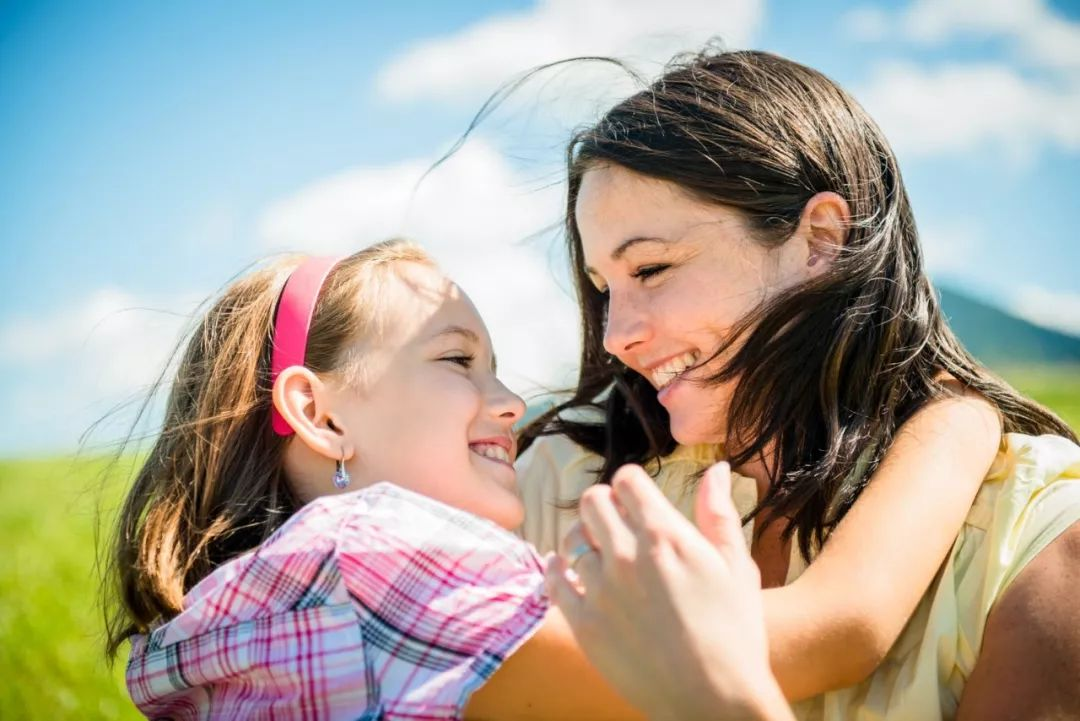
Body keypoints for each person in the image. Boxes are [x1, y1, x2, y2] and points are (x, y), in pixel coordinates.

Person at [515, 48, 1080, 719]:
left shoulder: (1035, 540)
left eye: (653, 268)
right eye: (604, 288)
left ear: (820, 239)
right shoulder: (567, 478)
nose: (616, 336)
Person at [102, 239, 788, 721]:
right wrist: (903, 452)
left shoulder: (249, 616)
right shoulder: (373, 549)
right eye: (458, 360)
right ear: (321, 413)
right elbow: (741, 657)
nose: (512, 401)